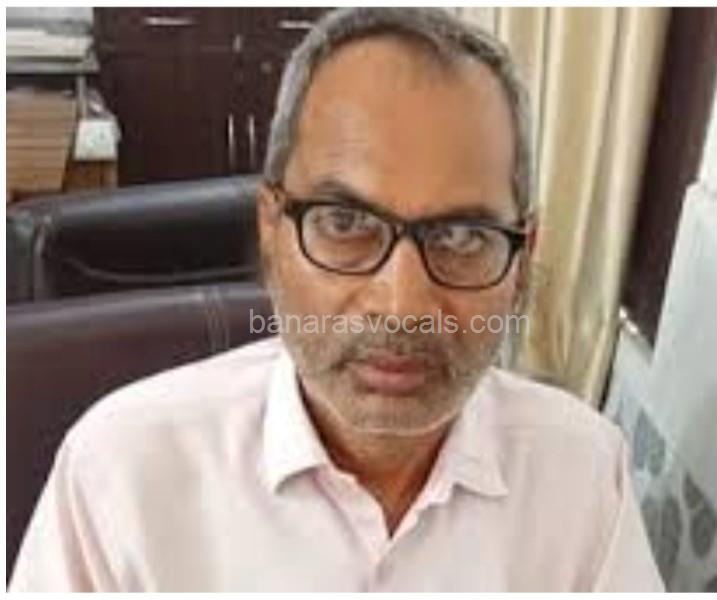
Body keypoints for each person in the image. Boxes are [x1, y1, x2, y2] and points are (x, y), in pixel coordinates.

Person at [10, 8, 663, 591]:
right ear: (272, 229)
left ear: (522, 258)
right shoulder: (120, 475)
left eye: (463, 236)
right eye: (346, 223)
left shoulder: (583, 478)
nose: (402, 304)